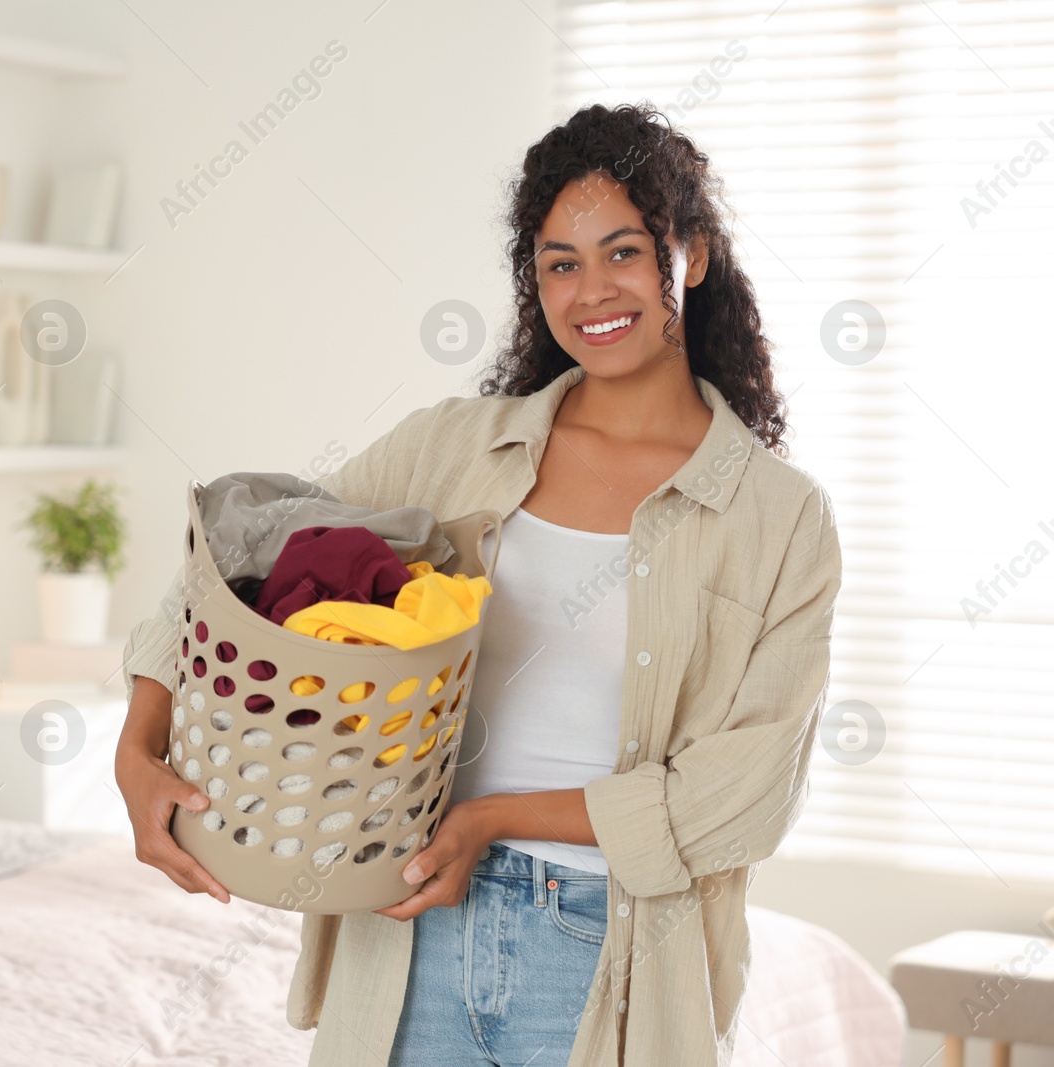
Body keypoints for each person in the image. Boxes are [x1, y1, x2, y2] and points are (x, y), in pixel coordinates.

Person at [116, 101, 842, 1067]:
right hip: (406, 926)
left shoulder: (776, 515)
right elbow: (239, 564)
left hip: (610, 949)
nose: (594, 291)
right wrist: (140, 738)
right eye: (560, 262)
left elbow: (742, 796)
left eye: (624, 251)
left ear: (692, 254)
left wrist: (494, 818)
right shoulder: (452, 451)